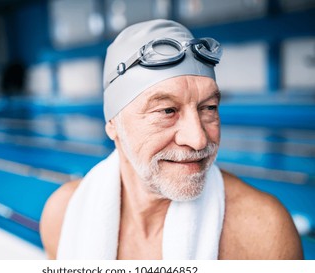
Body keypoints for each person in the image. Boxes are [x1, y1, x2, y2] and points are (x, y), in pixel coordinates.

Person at [40, 19, 303, 260]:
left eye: (208, 108)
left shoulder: (262, 230)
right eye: (167, 111)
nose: (198, 140)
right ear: (113, 123)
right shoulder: (63, 215)